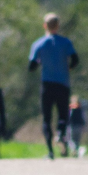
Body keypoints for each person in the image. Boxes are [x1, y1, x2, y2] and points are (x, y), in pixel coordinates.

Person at [28, 13, 79, 159]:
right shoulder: (66, 42)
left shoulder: (39, 44)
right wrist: (67, 67)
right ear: (58, 26)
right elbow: (75, 60)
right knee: (63, 114)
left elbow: (31, 66)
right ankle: (61, 133)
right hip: (63, 83)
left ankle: (50, 151)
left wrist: (40, 62)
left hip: (47, 84)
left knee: (47, 118)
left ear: (45, 25)